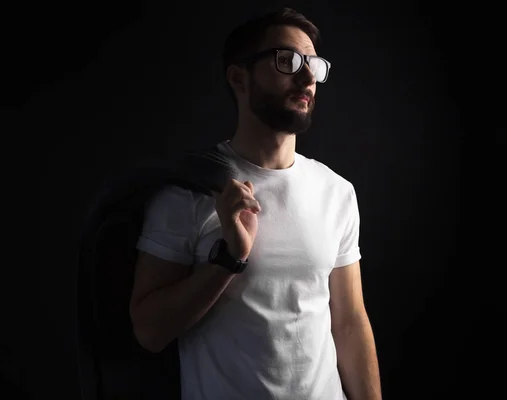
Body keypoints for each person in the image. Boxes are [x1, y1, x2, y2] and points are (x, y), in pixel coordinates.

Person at [129, 7, 381, 400]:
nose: (306, 76)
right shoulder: (189, 192)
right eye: (288, 60)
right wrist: (228, 259)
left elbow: (350, 322)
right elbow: (148, 332)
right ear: (238, 78)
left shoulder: (337, 192)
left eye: (313, 64)